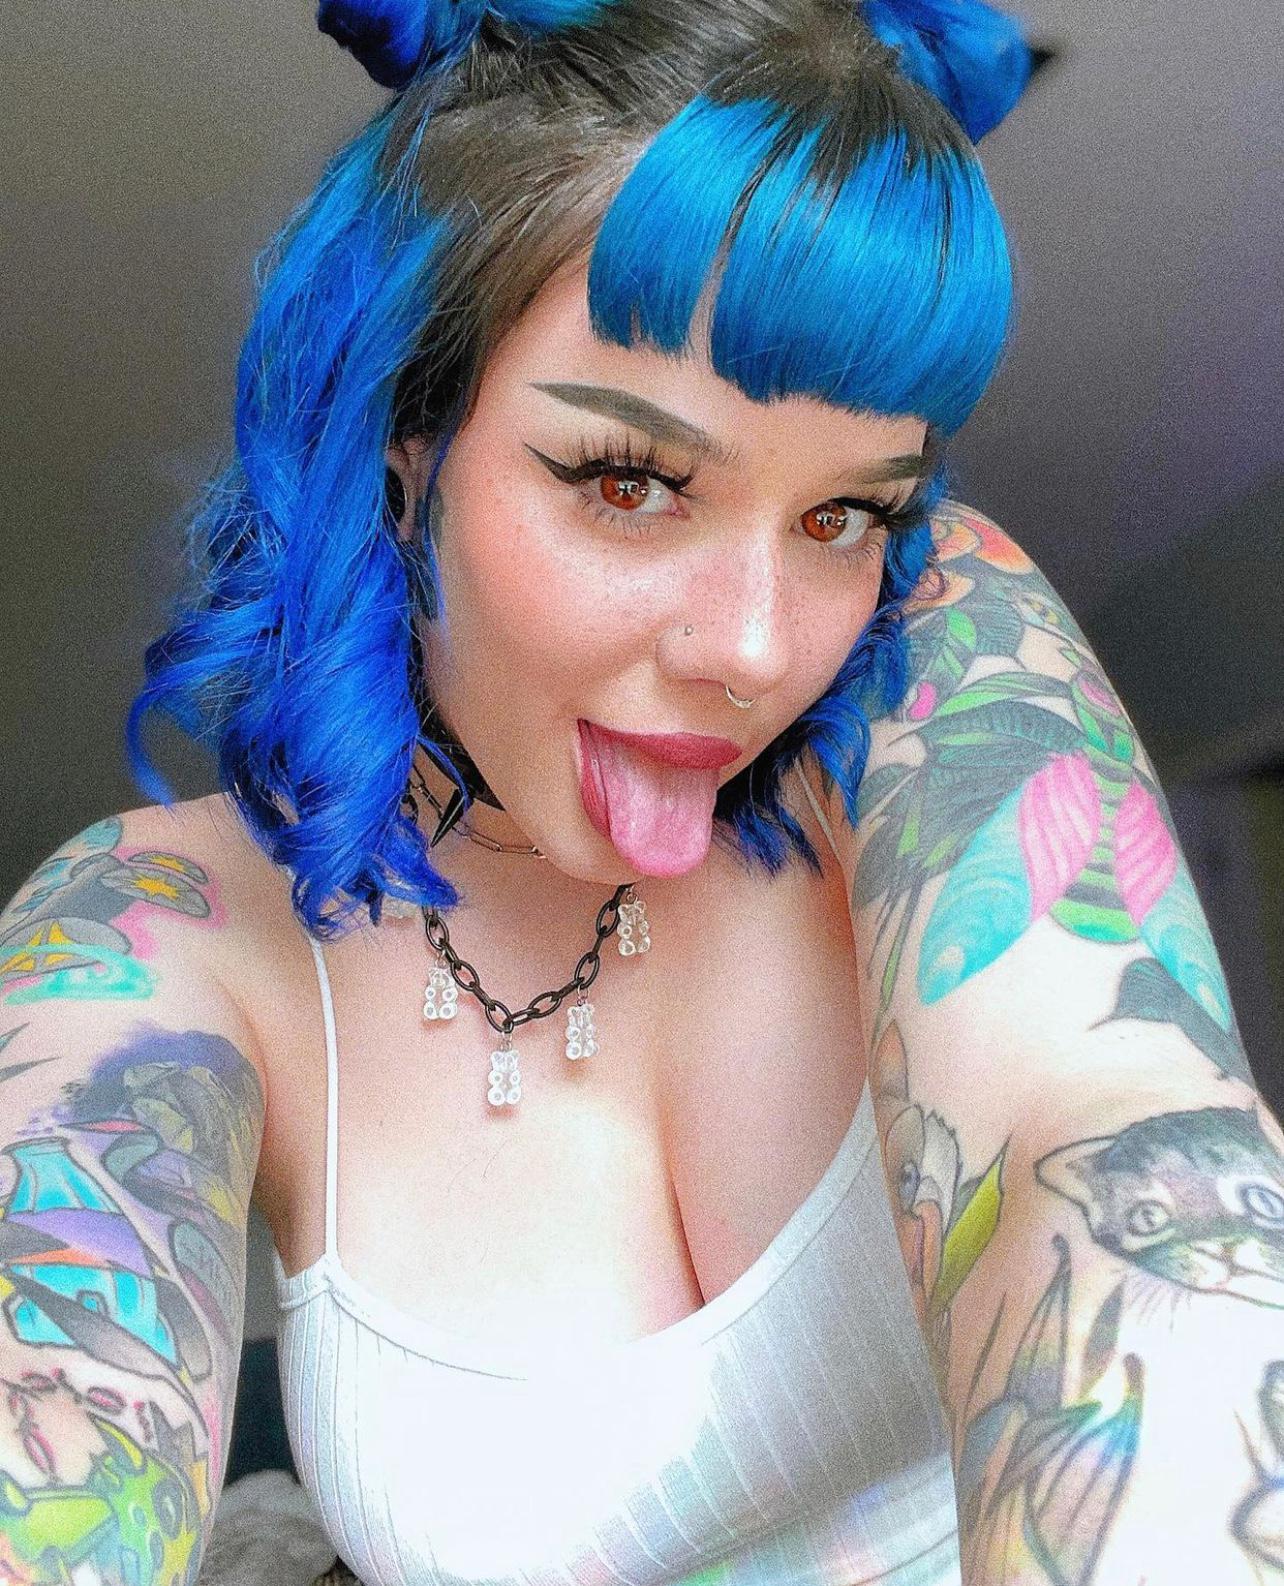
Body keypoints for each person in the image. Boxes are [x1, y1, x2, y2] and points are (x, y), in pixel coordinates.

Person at [2, 1, 1281, 1584]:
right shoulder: (159, 930)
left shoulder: (937, 651)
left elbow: (1120, 1153)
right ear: (404, 436)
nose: (756, 648)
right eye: (630, 482)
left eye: (843, 515)